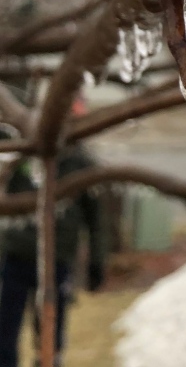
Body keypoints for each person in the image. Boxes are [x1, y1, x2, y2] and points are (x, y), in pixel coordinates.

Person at [0, 124, 107, 367]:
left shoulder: (81, 163)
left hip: (57, 259)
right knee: (5, 330)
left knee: (50, 332)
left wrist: (97, 261)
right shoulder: (25, 154)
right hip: (16, 256)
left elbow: (96, 219)